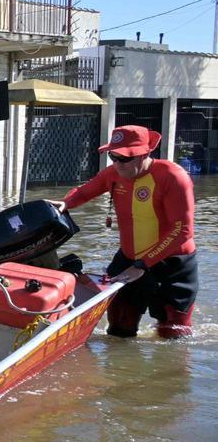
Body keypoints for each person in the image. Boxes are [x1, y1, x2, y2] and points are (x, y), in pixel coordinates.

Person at [47, 125, 197, 338]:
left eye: (124, 158)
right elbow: (84, 191)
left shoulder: (173, 176)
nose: (117, 164)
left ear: (144, 154)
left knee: (173, 335)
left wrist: (143, 265)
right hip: (129, 260)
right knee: (118, 329)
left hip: (172, 263)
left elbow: (182, 230)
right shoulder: (114, 174)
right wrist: (66, 203)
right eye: (113, 156)